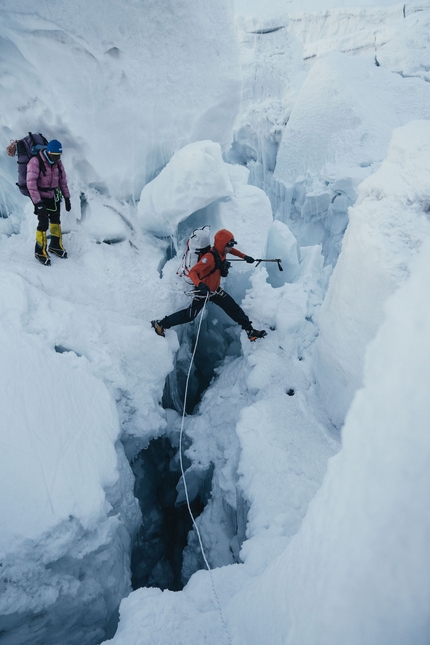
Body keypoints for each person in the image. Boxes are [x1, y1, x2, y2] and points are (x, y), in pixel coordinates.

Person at [151, 228, 267, 342]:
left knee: (234, 308)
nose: (230, 248)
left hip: (215, 291)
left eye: (231, 245)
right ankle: (160, 324)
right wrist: (200, 285)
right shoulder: (209, 258)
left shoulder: (222, 251)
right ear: (222, 245)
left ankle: (250, 331)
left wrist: (245, 257)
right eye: (229, 245)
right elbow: (193, 272)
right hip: (203, 292)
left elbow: (232, 251)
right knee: (189, 315)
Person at [27, 139, 71, 265]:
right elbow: (31, 184)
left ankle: (55, 245)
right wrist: (38, 203)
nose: (57, 159)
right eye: (54, 156)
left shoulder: (58, 163)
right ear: (48, 152)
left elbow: (62, 181)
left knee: (56, 220)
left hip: (53, 196)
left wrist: (67, 197)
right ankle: (39, 251)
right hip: (40, 197)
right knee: (43, 223)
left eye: (59, 156)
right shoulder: (35, 162)